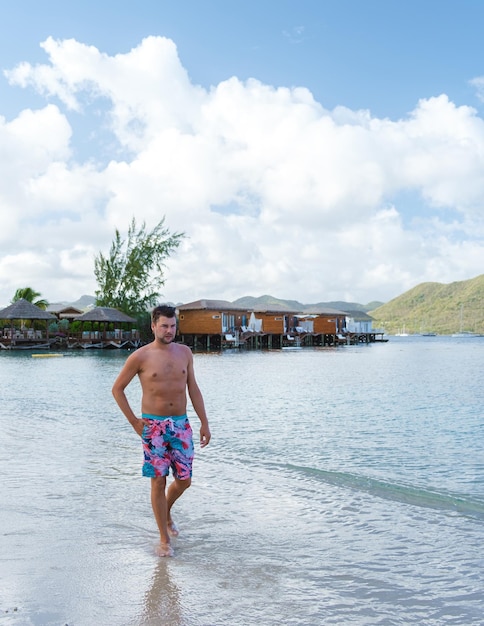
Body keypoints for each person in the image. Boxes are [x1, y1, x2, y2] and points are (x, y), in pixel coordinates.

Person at [112, 304, 211, 557]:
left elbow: (194, 388)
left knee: (184, 480)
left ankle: (165, 512)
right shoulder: (140, 357)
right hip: (153, 427)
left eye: (173, 325)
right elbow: (117, 389)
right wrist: (134, 421)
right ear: (153, 326)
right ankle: (163, 538)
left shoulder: (185, 353)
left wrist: (204, 422)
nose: (169, 330)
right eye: (164, 326)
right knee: (158, 480)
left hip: (181, 425)